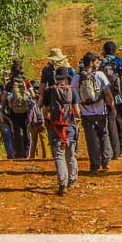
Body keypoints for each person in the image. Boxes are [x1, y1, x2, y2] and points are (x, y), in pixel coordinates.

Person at [43, 63, 80, 195]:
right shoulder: (72, 91)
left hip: (55, 127)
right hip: (69, 126)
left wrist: (49, 120)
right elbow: (77, 112)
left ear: (56, 78)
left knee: (59, 155)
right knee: (70, 155)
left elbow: (45, 111)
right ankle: (73, 180)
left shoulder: (49, 91)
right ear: (67, 78)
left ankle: (62, 184)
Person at [76, 52, 115, 173]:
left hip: (86, 113)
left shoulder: (77, 78)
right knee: (103, 134)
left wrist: (77, 112)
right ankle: (106, 161)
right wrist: (112, 107)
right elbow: (107, 93)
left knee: (91, 139)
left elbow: (74, 97)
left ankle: (94, 164)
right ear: (92, 63)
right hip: (101, 111)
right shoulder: (100, 75)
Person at [102, 41, 122, 155]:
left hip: (105, 99)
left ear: (104, 52)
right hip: (119, 97)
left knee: (108, 122)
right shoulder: (120, 63)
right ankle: (121, 147)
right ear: (115, 51)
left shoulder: (101, 63)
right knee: (120, 121)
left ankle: (110, 148)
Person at [4, 61, 33, 158]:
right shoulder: (26, 82)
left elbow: (3, 98)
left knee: (16, 131)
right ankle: (26, 153)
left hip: (14, 111)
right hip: (26, 111)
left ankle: (17, 153)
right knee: (26, 131)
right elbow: (33, 95)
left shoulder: (10, 83)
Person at [0, 84, 15, 159]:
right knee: (13, 136)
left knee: (7, 137)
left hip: (2, 118)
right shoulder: (14, 90)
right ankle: (15, 154)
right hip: (13, 117)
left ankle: (11, 155)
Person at [27, 80, 47, 159]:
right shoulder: (43, 97)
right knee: (44, 140)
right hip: (42, 121)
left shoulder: (29, 98)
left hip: (33, 122)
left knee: (33, 142)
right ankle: (46, 158)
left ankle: (32, 157)